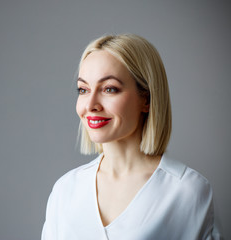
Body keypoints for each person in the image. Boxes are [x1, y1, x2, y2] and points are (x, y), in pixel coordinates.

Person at [41, 34, 223, 240]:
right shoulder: (65, 190)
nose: (91, 104)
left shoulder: (187, 192)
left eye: (109, 89)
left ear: (146, 99)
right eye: (83, 89)